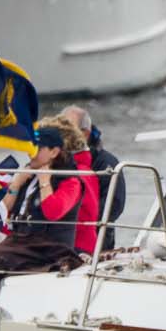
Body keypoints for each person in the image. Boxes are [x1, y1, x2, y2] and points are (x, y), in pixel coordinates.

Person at [0, 120, 88, 310]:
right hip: (23, 242)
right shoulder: (28, 176)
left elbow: (52, 212)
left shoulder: (70, 182)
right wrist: (16, 185)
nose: (30, 152)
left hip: (49, 247)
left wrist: (45, 182)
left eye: (37, 148)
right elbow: (2, 213)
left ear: (54, 152)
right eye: (30, 147)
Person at [62, 104, 126, 250]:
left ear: (85, 133)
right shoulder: (54, 160)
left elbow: (114, 205)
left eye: (67, 129)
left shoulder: (106, 163)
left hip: (96, 239)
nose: (61, 134)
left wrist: (78, 221)